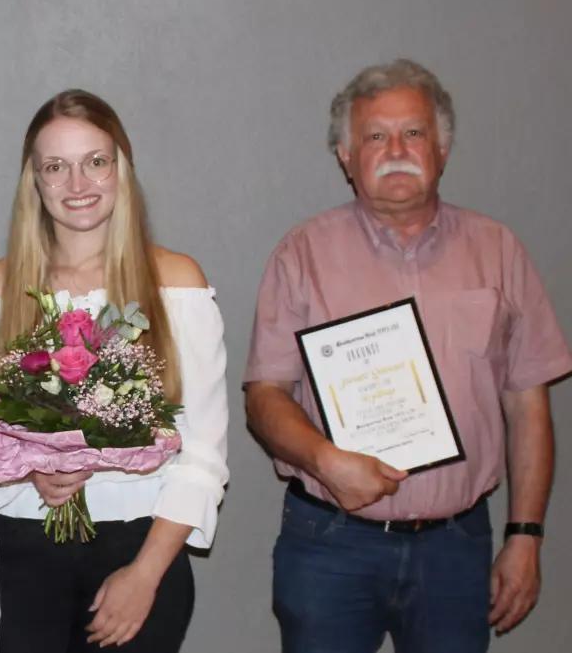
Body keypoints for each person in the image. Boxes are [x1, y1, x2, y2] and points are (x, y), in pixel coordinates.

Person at [244, 58, 572, 653]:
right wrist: (325, 460)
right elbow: (264, 395)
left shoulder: (499, 251)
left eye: (413, 132)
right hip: (330, 545)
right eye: (375, 136)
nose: (396, 150)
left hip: (456, 548)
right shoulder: (302, 254)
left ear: (442, 149)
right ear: (346, 156)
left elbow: (529, 407)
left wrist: (525, 535)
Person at [0, 89, 229, 652]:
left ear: (121, 168)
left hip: (139, 553)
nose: (77, 183)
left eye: (95, 161)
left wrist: (145, 575)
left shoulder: (176, 283)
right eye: (55, 167)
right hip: (18, 557)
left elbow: (204, 452)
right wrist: (28, 469)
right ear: (34, 181)